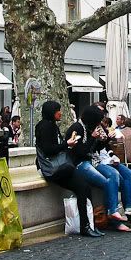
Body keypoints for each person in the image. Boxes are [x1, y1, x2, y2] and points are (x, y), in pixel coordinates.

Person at [71, 106, 131, 229]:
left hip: (104, 159)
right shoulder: (79, 128)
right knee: (113, 178)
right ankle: (113, 214)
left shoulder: (97, 128)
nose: (101, 122)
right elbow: (82, 152)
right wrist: (94, 138)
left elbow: (104, 148)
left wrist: (108, 143)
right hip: (89, 161)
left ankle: (130, 209)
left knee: (129, 175)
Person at [34, 101, 101, 238]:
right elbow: (49, 150)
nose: (61, 113)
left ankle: (88, 224)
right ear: (52, 112)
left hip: (57, 168)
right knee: (83, 188)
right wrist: (67, 144)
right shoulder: (47, 127)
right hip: (54, 170)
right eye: (58, 110)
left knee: (84, 188)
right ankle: (86, 226)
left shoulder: (48, 125)